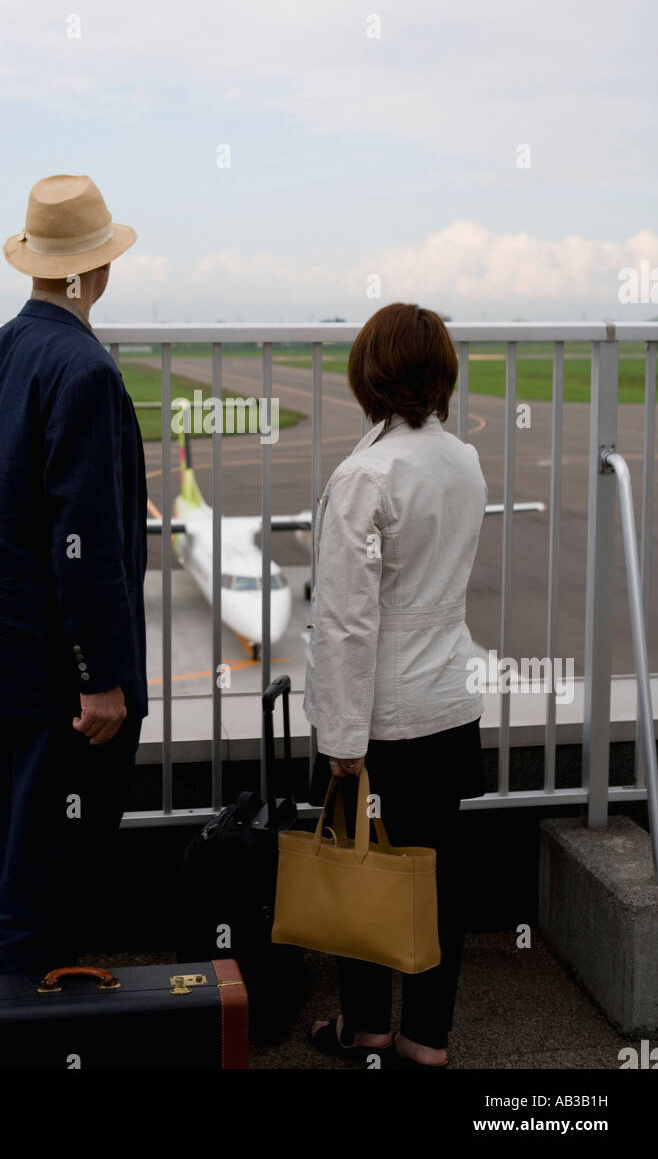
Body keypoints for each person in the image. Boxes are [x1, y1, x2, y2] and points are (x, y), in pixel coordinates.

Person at [0, 174, 148, 976]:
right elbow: (87, 541)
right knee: (52, 880)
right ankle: (31, 1028)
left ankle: (20, 1020)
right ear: (97, 271)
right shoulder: (86, 371)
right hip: (63, 683)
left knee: (20, 860)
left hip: (3, 658)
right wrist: (99, 676)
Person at [304, 302, 487, 1068]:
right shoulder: (464, 461)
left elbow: (347, 621)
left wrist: (342, 739)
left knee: (362, 871)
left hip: (380, 714)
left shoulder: (365, 474)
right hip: (449, 699)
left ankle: (368, 1027)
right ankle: (428, 1037)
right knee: (434, 878)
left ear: (367, 375)